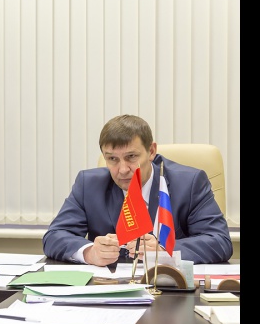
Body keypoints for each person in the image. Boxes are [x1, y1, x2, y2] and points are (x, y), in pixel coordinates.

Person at [42, 114, 232, 267]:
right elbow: (54, 236)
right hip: (110, 290)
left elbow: (219, 241)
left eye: (131, 157)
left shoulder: (189, 183)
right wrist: (89, 252)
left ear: (151, 151)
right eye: (112, 159)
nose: (123, 169)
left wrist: (165, 250)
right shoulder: (89, 184)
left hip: (169, 289)